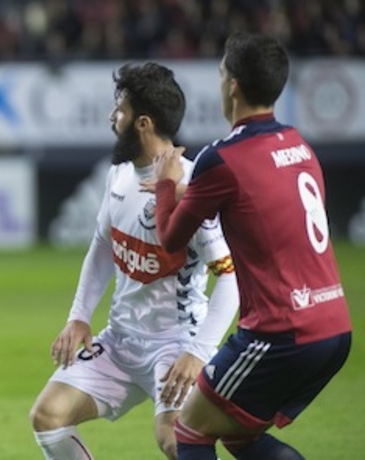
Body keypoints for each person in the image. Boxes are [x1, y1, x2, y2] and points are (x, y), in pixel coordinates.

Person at [152, 32, 352, 460]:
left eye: (223, 72)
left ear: (233, 85)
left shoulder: (222, 158)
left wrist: (166, 184)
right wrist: (192, 191)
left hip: (282, 333)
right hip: (334, 326)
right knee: (240, 436)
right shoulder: (300, 145)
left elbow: (170, 240)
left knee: (188, 431)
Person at [29, 62, 240, 460]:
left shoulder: (191, 187)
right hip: (121, 340)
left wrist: (199, 351)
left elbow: (229, 278)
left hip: (176, 345)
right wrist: (79, 316)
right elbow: (103, 247)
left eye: (120, 110)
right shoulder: (119, 175)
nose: (112, 117)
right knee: (47, 415)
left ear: (142, 123)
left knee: (174, 439)